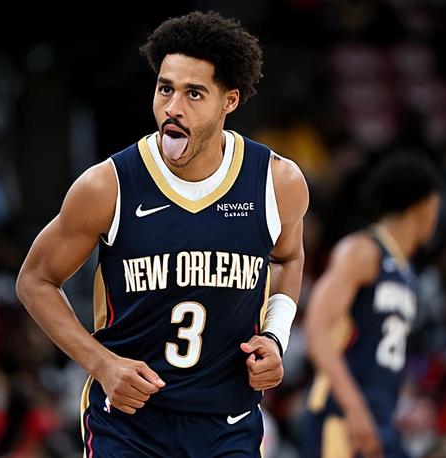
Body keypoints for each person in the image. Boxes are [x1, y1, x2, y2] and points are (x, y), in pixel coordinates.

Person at [16, 11, 309, 457]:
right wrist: (101, 363)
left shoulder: (276, 182)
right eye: (165, 88)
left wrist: (275, 336)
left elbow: (288, 257)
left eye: (194, 93)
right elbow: (34, 279)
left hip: (227, 423)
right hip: (128, 424)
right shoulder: (108, 185)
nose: (173, 108)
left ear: (229, 101)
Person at [302, 154, 442, 458]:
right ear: (423, 204)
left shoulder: (406, 272)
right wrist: (355, 408)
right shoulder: (363, 250)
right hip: (341, 416)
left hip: (379, 419)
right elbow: (317, 332)